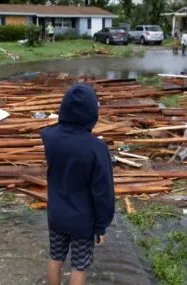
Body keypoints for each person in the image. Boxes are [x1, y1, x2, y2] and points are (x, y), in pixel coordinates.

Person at [41, 84, 115, 285]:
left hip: (56, 214)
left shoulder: (50, 138)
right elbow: (103, 192)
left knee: (55, 258)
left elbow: (49, 131)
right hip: (83, 220)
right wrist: (101, 226)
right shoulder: (96, 149)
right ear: (92, 113)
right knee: (79, 266)